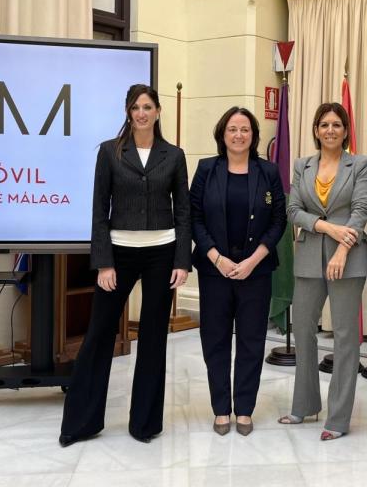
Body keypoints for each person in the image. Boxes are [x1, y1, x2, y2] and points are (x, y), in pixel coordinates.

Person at [59, 84, 191, 447]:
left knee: (152, 339)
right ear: (128, 112)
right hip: (118, 254)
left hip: (162, 255)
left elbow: (183, 211)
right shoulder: (109, 152)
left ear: (158, 112)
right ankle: (80, 424)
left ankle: (144, 424)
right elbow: (99, 210)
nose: (141, 113)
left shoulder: (174, 155)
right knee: (99, 335)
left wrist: (182, 260)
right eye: (135, 107)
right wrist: (103, 263)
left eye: (148, 107)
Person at [190, 107, 287, 436]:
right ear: (222, 133)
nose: (238, 135)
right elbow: (195, 219)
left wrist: (253, 260)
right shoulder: (206, 170)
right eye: (232, 129)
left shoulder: (268, 172)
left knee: (251, 340)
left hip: (255, 272)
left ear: (253, 135)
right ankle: (221, 409)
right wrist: (217, 258)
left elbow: (278, 221)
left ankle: (244, 409)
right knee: (215, 340)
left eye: (245, 129)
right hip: (214, 270)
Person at [280, 103, 367, 441]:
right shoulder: (302, 165)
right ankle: (304, 405)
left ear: (346, 130)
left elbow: (362, 208)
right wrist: (325, 227)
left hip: (349, 259)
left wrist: (342, 247)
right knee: (302, 330)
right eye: (324, 125)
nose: (330, 130)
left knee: (346, 338)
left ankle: (337, 417)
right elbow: (293, 209)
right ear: (316, 130)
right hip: (307, 258)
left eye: (337, 124)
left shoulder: (360, 163)